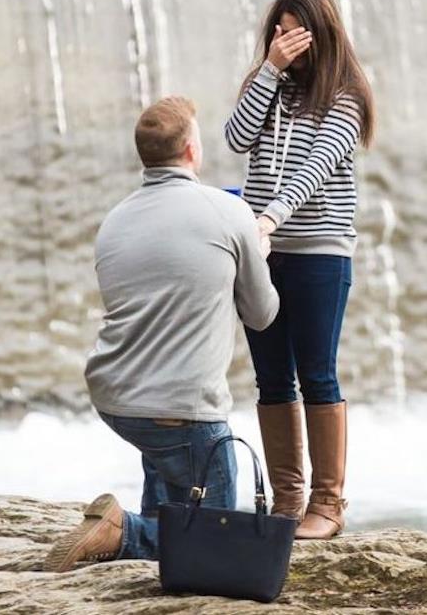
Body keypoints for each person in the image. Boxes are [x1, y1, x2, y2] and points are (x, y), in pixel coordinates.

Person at [43, 97, 280, 572]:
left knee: (167, 457)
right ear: (192, 150)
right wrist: (258, 252)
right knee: (214, 545)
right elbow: (262, 314)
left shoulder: (114, 221)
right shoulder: (227, 212)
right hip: (183, 410)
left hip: (118, 398)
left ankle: (145, 519)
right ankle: (122, 530)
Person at [223, 0, 375, 540]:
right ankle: (288, 500)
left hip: (317, 252)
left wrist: (267, 218)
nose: (285, 41)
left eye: (295, 32)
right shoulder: (268, 86)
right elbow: (236, 138)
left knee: (316, 373)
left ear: (321, 33)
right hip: (262, 253)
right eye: (278, 32)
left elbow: (315, 167)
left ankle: (328, 505)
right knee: (271, 379)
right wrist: (268, 72)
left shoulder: (347, 96)